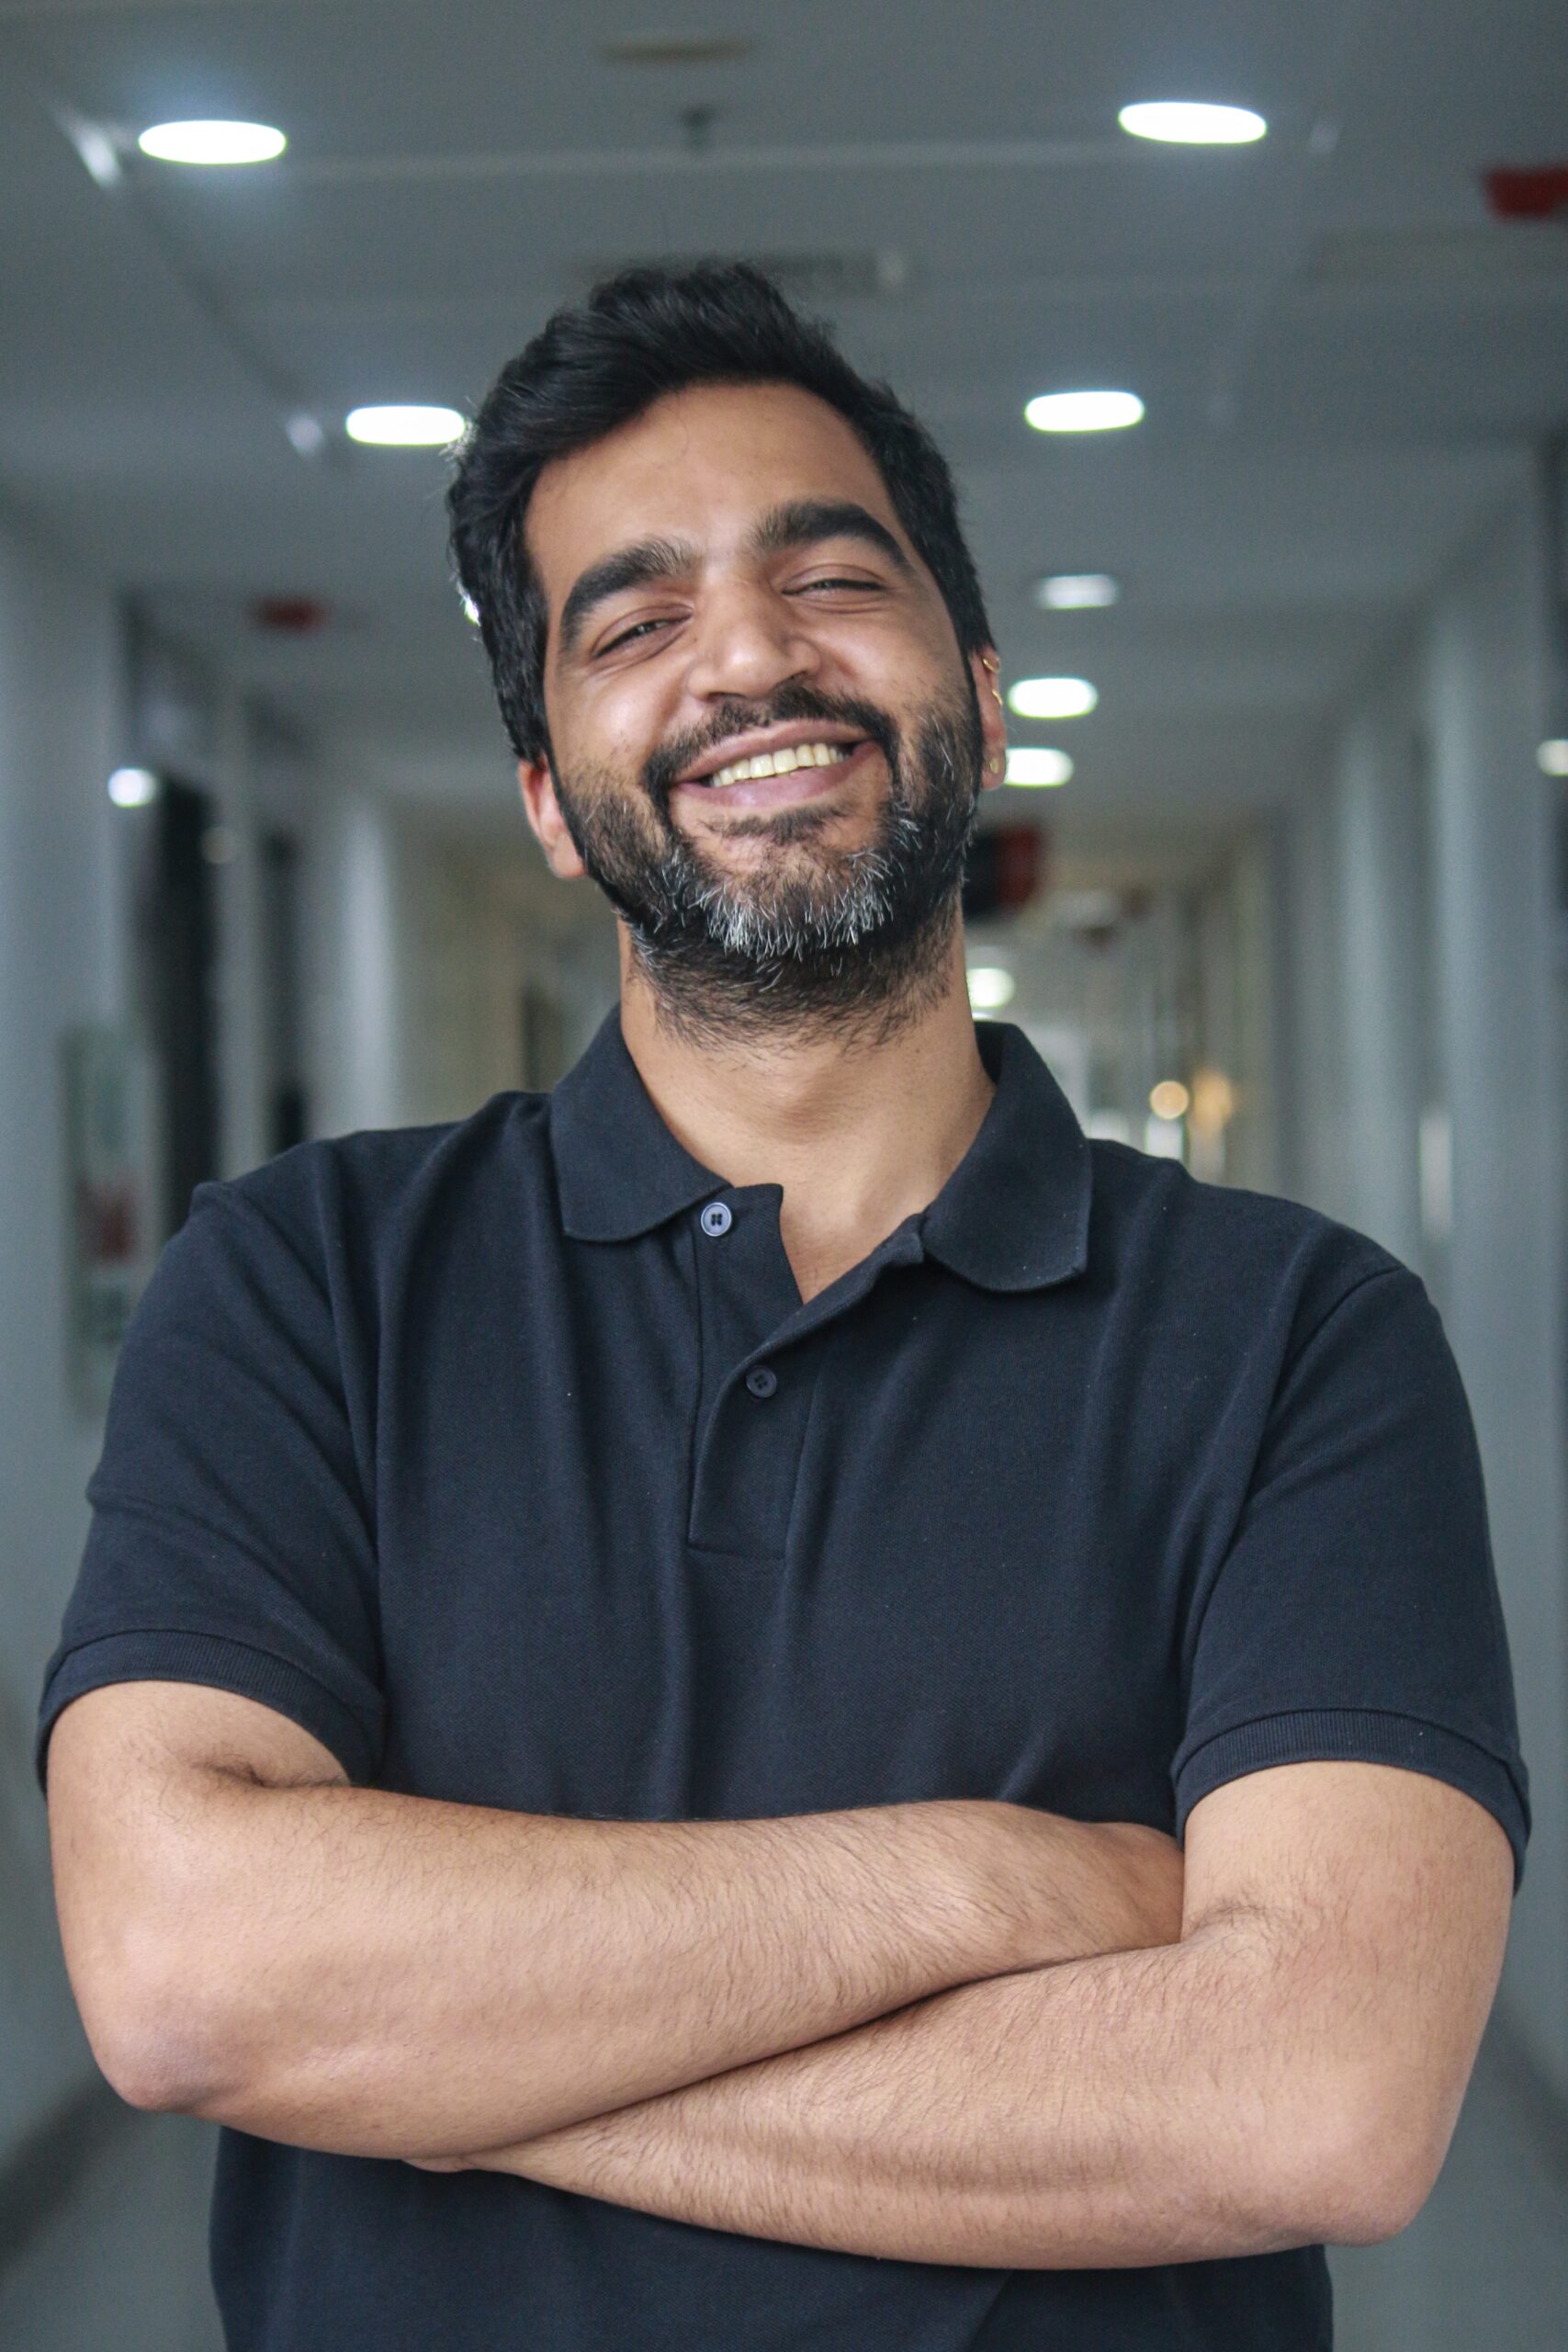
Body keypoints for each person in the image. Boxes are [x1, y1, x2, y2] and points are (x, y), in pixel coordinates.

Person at [39, 264, 1527, 2352]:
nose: (746, 656)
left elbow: (1315, 2101)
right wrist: (992, 1885)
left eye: (828, 578)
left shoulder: (1296, 1337)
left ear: (977, 693)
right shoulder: (302, 1283)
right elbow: (188, 1969)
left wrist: (455, 2067)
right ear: (550, 794)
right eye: (634, 623)